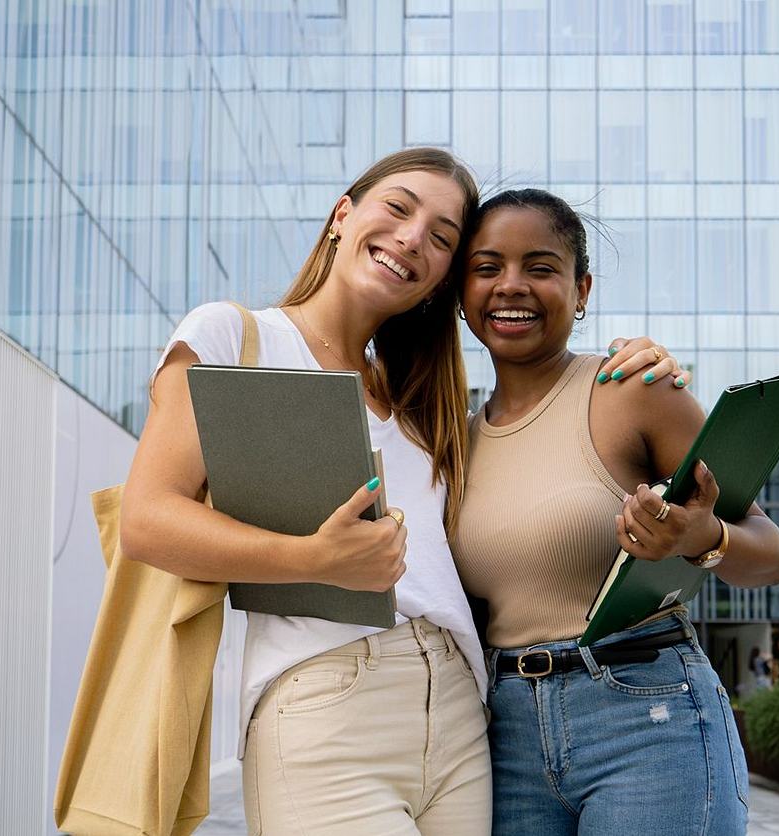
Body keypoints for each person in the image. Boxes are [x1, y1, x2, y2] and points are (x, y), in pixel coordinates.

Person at [119, 150, 680, 836]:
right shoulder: (238, 336)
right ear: (342, 215)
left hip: (460, 714)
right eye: (398, 207)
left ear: (441, 278)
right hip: (328, 699)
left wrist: (637, 362)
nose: (414, 238)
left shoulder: (422, 405)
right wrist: (316, 560)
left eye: (444, 237)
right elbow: (147, 521)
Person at [451, 189, 779, 836]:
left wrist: (702, 535)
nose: (511, 286)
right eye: (487, 268)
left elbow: (768, 553)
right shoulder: (453, 441)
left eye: (541, 268)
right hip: (505, 734)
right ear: (463, 293)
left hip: (644, 716)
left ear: (581, 290)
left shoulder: (634, 389)